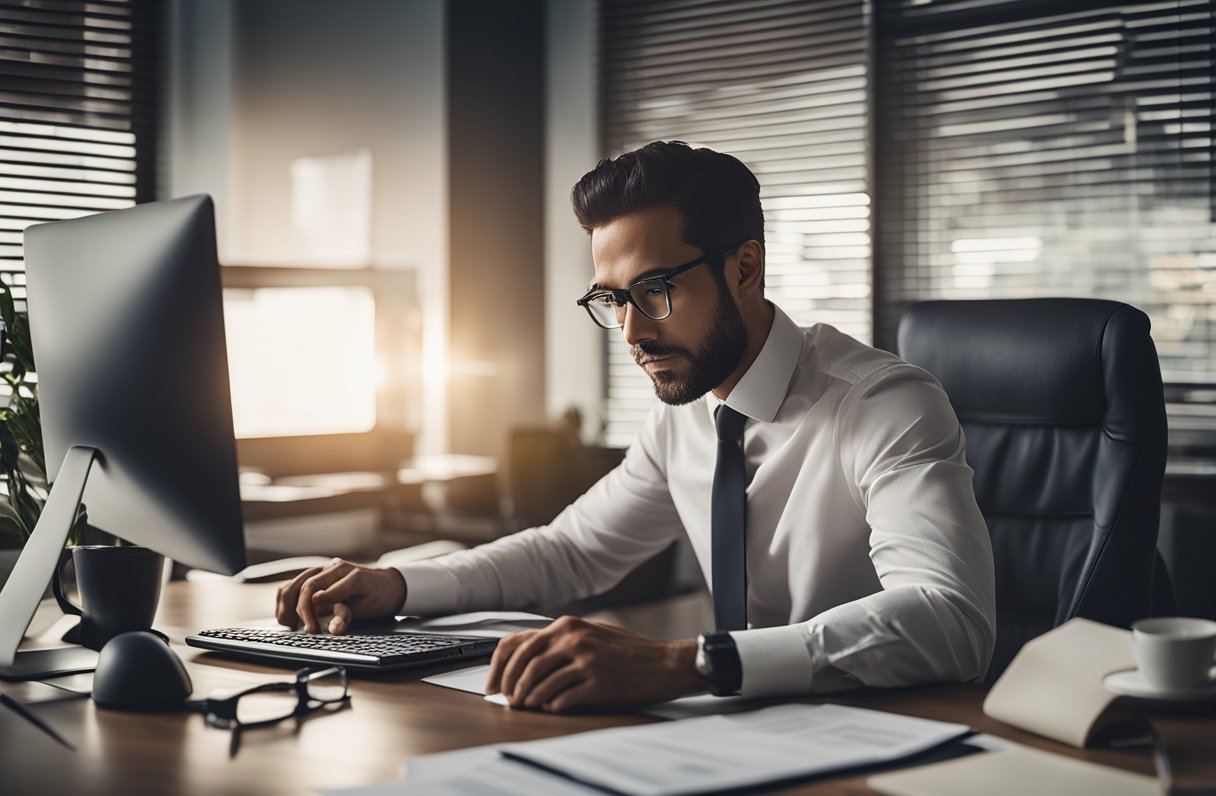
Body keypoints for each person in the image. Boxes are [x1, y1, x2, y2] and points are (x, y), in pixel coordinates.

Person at [275, 141, 996, 713]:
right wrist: (398, 585)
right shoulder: (686, 417)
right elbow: (571, 553)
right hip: (745, 731)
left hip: (891, 734)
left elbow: (951, 620)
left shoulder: (884, 405)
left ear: (745, 268)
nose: (630, 332)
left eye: (654, 291)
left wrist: (683, 662)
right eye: (613, 299)